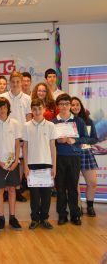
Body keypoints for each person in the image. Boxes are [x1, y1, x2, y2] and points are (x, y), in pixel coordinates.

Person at [52, 93, 90, 226]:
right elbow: (48, 142)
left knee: (73, 187)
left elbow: (86, 138)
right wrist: (57, 140)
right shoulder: (53, 122)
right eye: (61, 104)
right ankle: (62, 215)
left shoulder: (78, 121)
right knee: (60, 188)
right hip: (59, 158)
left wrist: (75, 140)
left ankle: (75, 214)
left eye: (66, 104)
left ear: (70, 105)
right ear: (57, 106)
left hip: (74, 158)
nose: (64, 106)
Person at [0, 97, 22, 231]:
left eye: (5, 107)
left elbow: (17, 144)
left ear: (8, 108)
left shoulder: (14, 123)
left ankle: (12, 217)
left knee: (12, 189)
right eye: (0, 107)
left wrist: (15, 162)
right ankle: (1, 218)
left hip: (12, 163)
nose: (2, 110)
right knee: (0, 190)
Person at [23, 98, 57, 230]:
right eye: (34, 109)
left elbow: (53, 146)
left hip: (47, 164)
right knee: (34, 194)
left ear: (44, 109)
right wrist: (25, 166)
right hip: (32, 164)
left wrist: (54, 166)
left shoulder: (50, 126)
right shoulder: (26, 126)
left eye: (39, 109)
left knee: (46, 195)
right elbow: (24, 147)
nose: (37, 111)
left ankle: (44, 218)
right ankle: (35, 219)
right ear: (31, 110)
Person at [2, 71, 32, 202]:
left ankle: (18, 188)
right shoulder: (3, 97)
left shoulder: (27, 98)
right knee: (7, 161)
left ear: (22, 82)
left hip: (21, 136)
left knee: (19, 163)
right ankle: (6, 190)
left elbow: (29, 118)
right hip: (6, 136)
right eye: (13, 81)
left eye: (18, 82)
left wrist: (26, 137)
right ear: (10, 82)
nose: (15, 84)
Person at [71, 96, 99, 217]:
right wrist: (79, 140)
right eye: (73, 105)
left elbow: (94, 138)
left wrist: (79, 140)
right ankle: (78, 206)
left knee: (92, 183)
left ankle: (90, 205)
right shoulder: (68, 122)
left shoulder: (88, 121)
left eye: (77, 104)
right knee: (75, 184)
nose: (75, 107)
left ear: (80, 106)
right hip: (72, 154)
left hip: (87, 153)